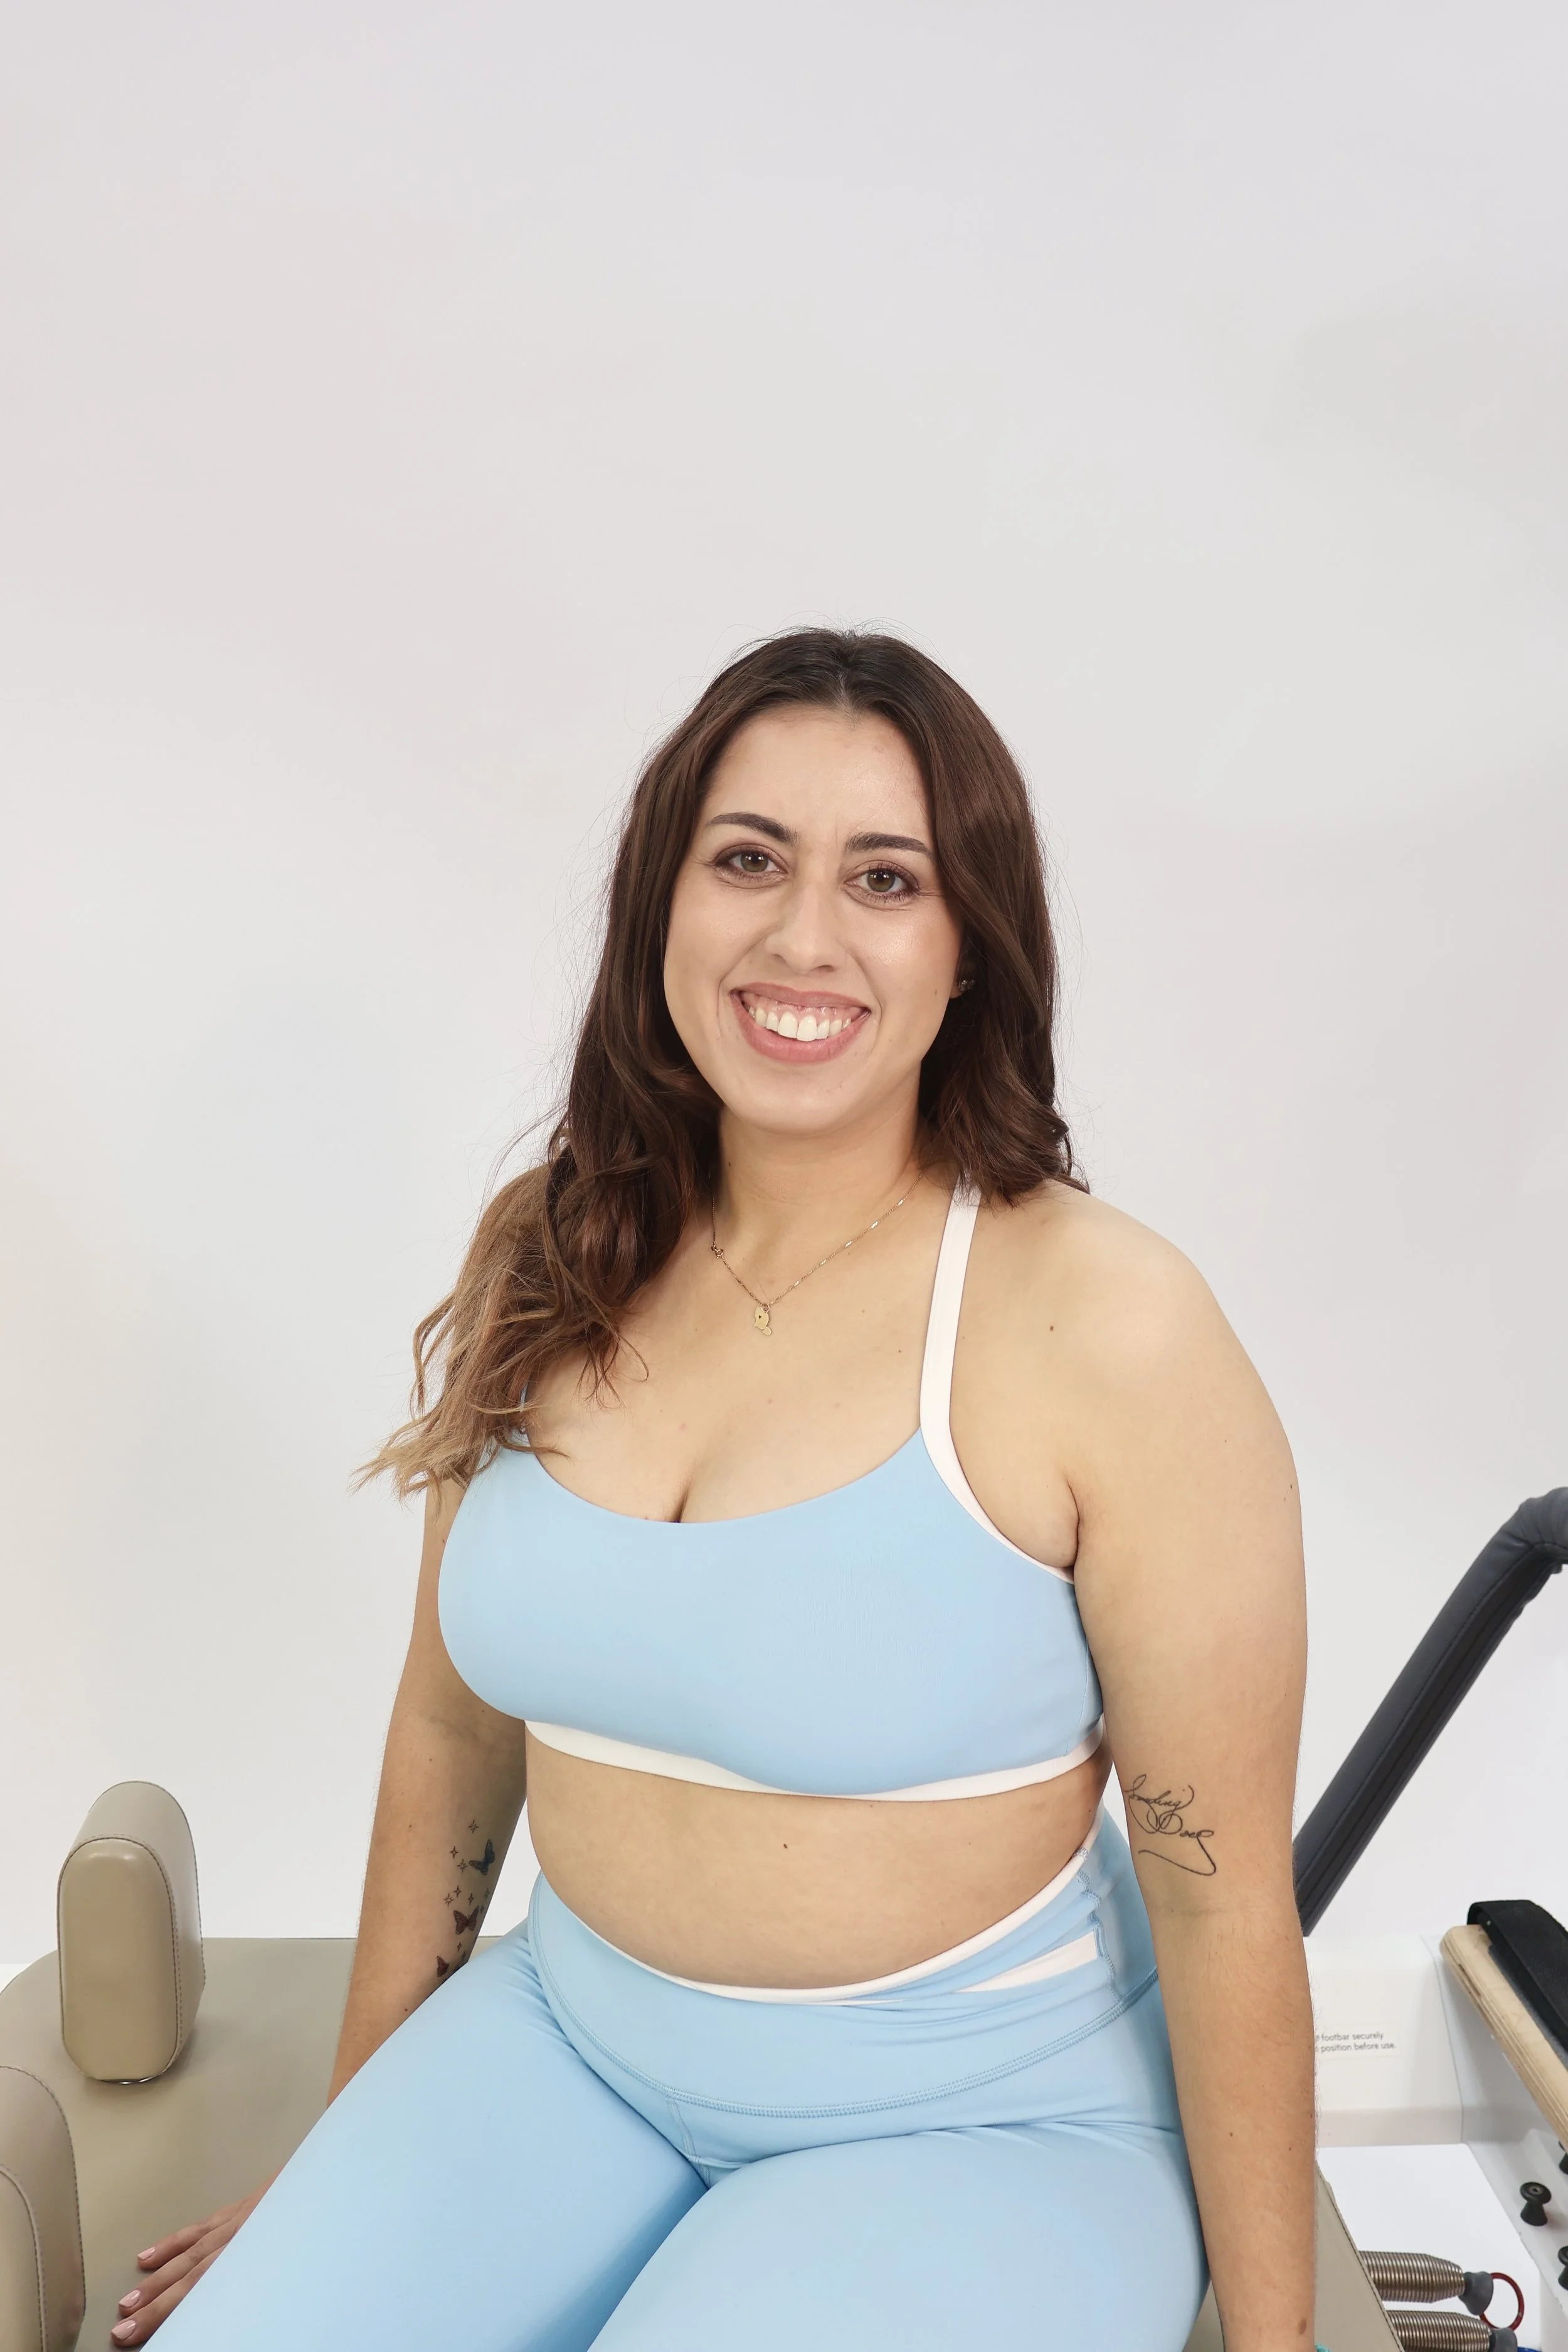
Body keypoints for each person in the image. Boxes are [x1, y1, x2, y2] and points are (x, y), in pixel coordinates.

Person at [117, 630, 1313, 2350]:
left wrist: (1276, 2343)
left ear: (969, 942)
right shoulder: (562, 1239)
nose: (799, 935)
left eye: (883, 878)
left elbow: (1213, 1889)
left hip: (972, 2128)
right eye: (745, 858)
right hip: (573, 2043)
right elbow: (452, 1746)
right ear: (659, 901)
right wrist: (338, 2167)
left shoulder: (1105, 1325)